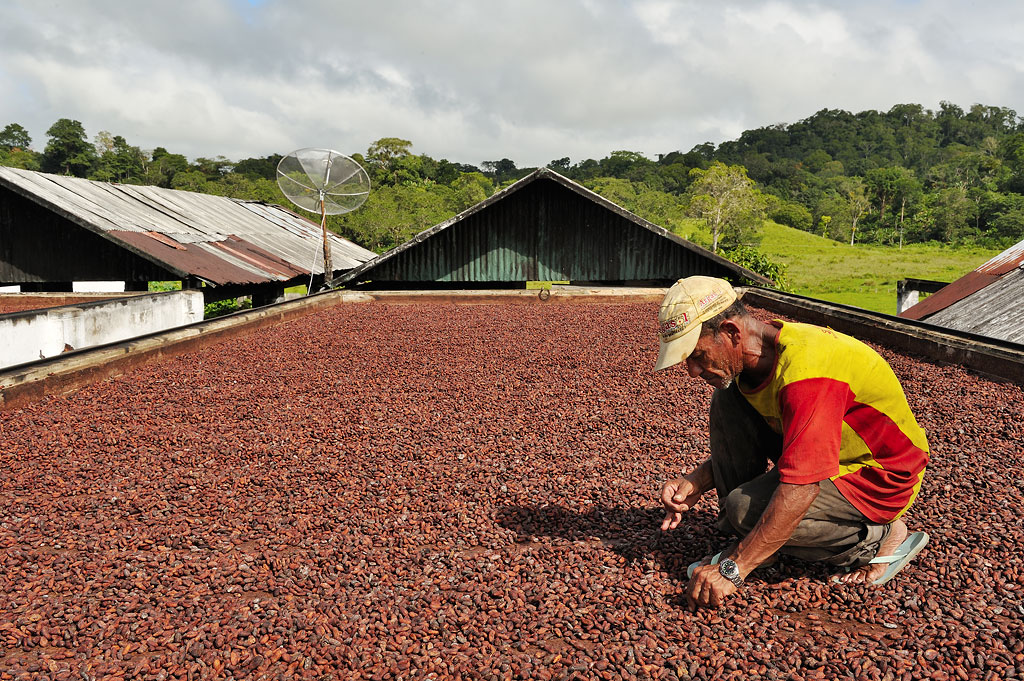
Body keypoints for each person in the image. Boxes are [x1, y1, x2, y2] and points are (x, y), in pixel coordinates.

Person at [654, 276, 930, 610]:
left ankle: (878, 538)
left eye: (697, 355)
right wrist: (698, 480)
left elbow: (801, 487)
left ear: (731, 332)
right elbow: (784, 441)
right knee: (728, 398)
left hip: (878, 474)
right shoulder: (757, 353)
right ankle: (757, 540)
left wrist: (734, 568)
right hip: (826, 451)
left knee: (743, 510)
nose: (692, 371)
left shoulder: (807, 374)